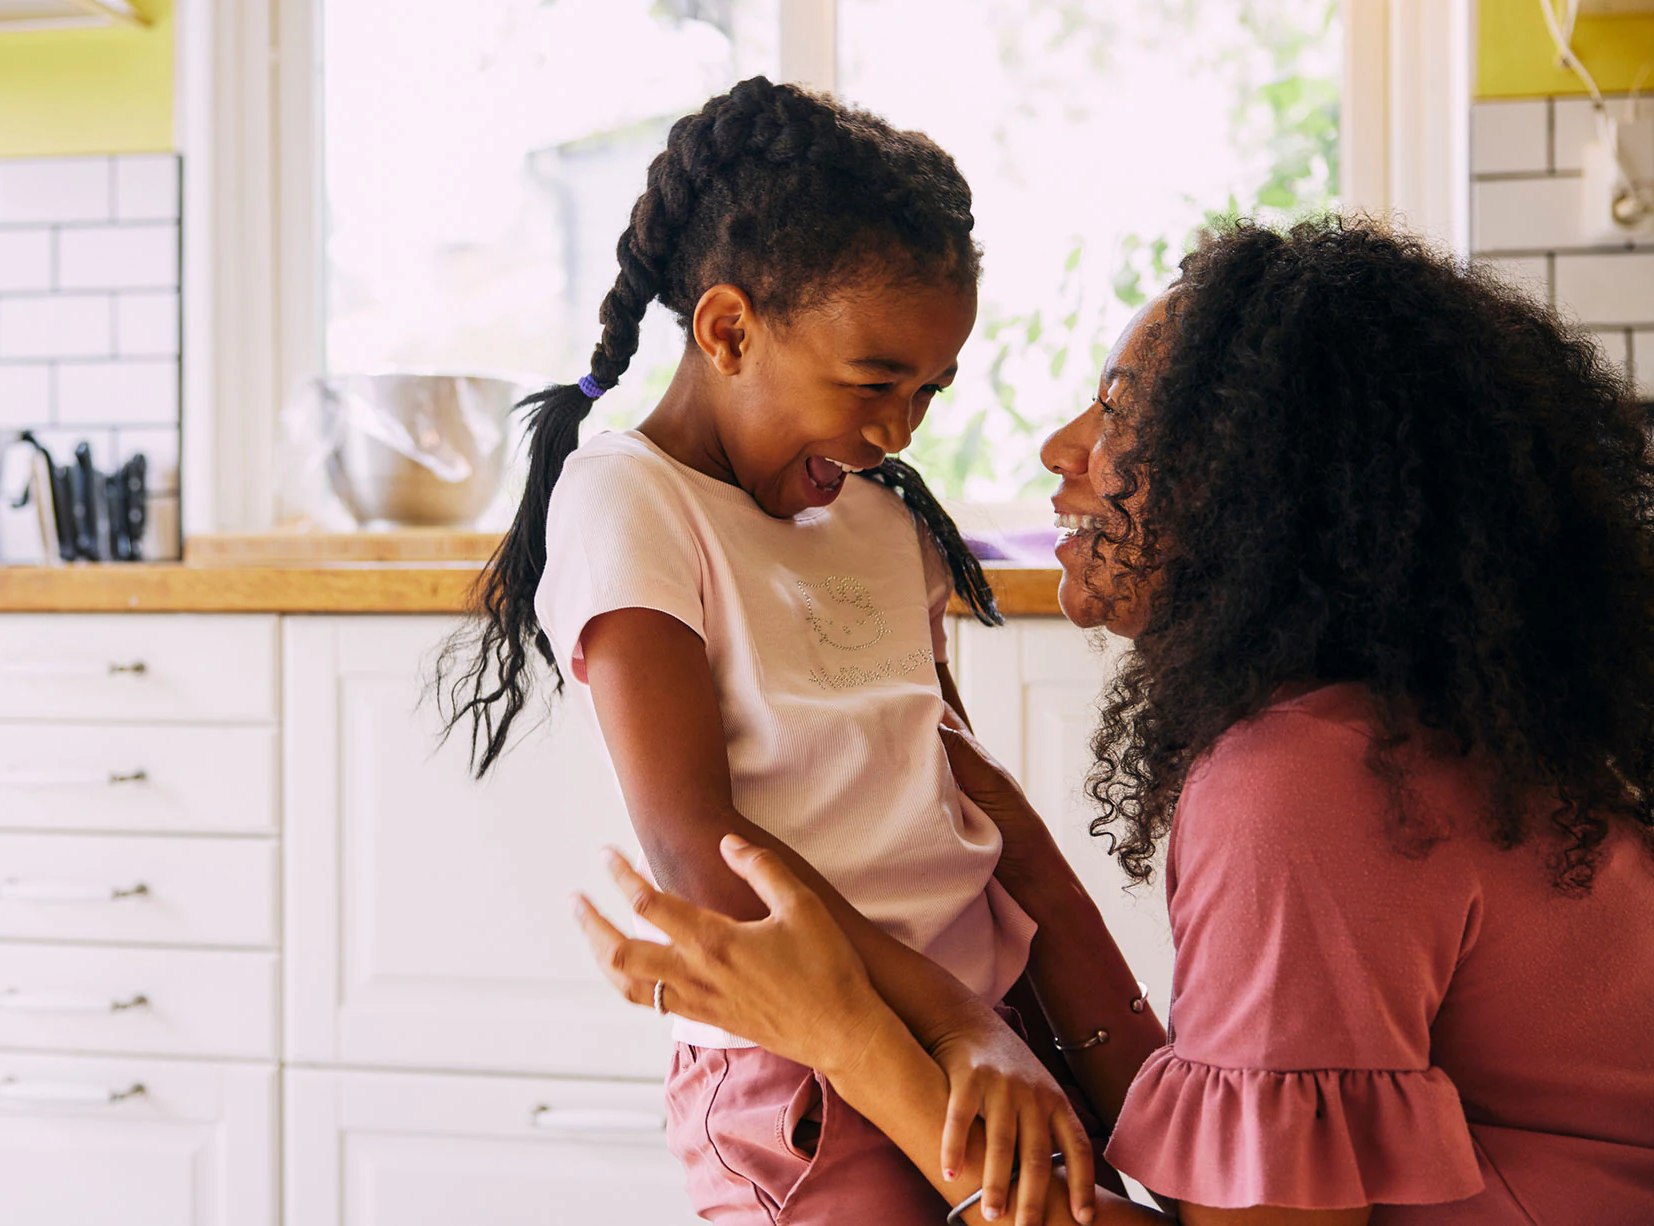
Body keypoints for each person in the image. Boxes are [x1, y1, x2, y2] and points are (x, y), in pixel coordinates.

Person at [575, 217, 1654, 1225]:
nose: (1061, 445)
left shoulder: (1304, 788)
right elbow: (1231, 1153)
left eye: (1122, 410)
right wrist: (1030, 872)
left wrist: (854, 1038)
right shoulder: (1418, 729)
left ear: (1260, 480)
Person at [438, 76, 1101, 1226]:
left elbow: (944, 783)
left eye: (930, 389)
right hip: (799, 1069)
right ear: (730, 329)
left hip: (985, 1023)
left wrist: (1008, 1018)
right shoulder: (628, 499)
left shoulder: (882, 514)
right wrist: (955, 1021)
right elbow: (705, 857)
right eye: (873, 381)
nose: (897, 430)